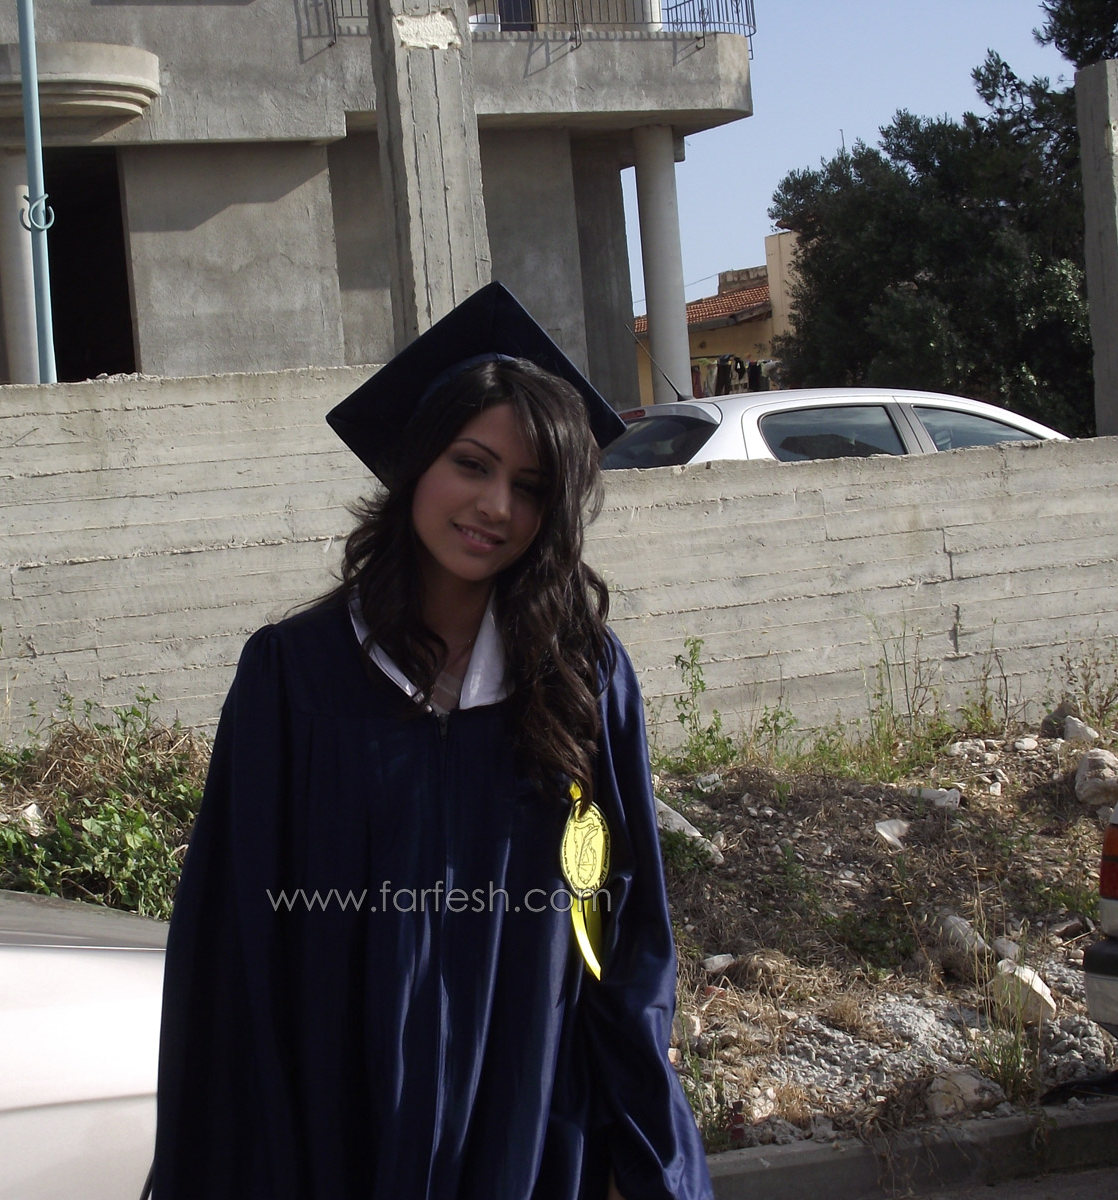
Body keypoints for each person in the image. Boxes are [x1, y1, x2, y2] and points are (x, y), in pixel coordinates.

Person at [153, 283, 711, 1200]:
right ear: (416, 462)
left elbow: (622, 925)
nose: (495, 506)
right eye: (471, 464)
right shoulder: (294, 679)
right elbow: (229, 938)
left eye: (530, 488)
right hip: (340, 1112)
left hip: (532, 1110)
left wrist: (636, 1137)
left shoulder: (581, 679)